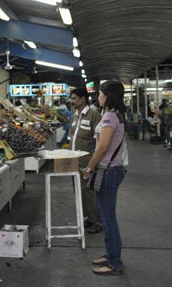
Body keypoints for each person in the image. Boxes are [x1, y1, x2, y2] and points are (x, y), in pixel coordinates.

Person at [83, 81, 126, 276]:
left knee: (108, 219)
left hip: (107, 172)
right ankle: (110, 255)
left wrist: (89, 168)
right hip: (111, 171)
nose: (98, 97)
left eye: (100, 94)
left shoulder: (109, 116)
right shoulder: (114, 115)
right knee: (106, 216)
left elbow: (102, 147)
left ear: (107, 95)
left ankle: (115, 262)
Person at [68, 88, 102, 233]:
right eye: (72, 98)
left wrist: (93, 163)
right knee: (79, 191)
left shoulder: (94, 115)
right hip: (75, 160)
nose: (72, 101)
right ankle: (89, 217)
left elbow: (100, 140)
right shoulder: (75, 116)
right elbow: (72, 137)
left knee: (88, 191)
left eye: (74, 98)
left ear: (83, 99)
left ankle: (98, 222)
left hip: (87, 161)